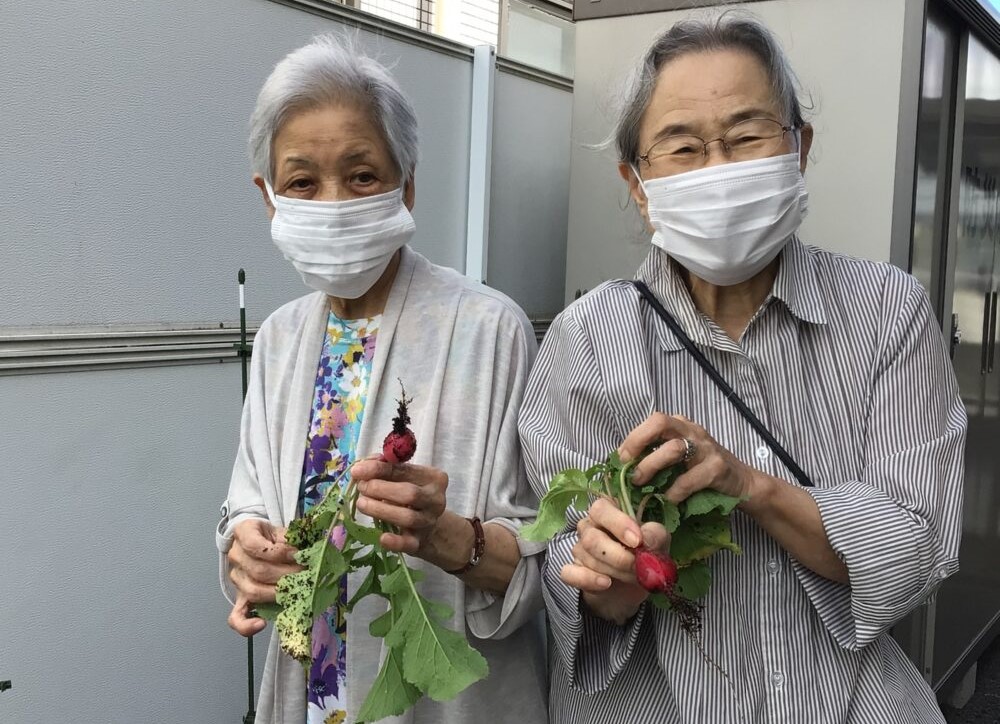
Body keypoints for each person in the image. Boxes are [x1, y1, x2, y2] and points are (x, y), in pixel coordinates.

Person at [519, 13, 966, 724]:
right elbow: (560, 561)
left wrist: (750, 486)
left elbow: (918, 544)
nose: (719, 169)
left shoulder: (887, 311)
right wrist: (613, 575)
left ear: (799, 148)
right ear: (638, 183)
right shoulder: (587, 337)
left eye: (747, 136)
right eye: (684, 147)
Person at [214, 34, 547, 724]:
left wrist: (455, 538)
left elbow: (551, 561)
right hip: (312, 700)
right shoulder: (280, 338)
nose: (333, 202)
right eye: (303, 181)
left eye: (362, 175)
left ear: (408, 184)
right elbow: (246, 502)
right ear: (269, 197)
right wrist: (246, 548)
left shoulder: (489, 329)